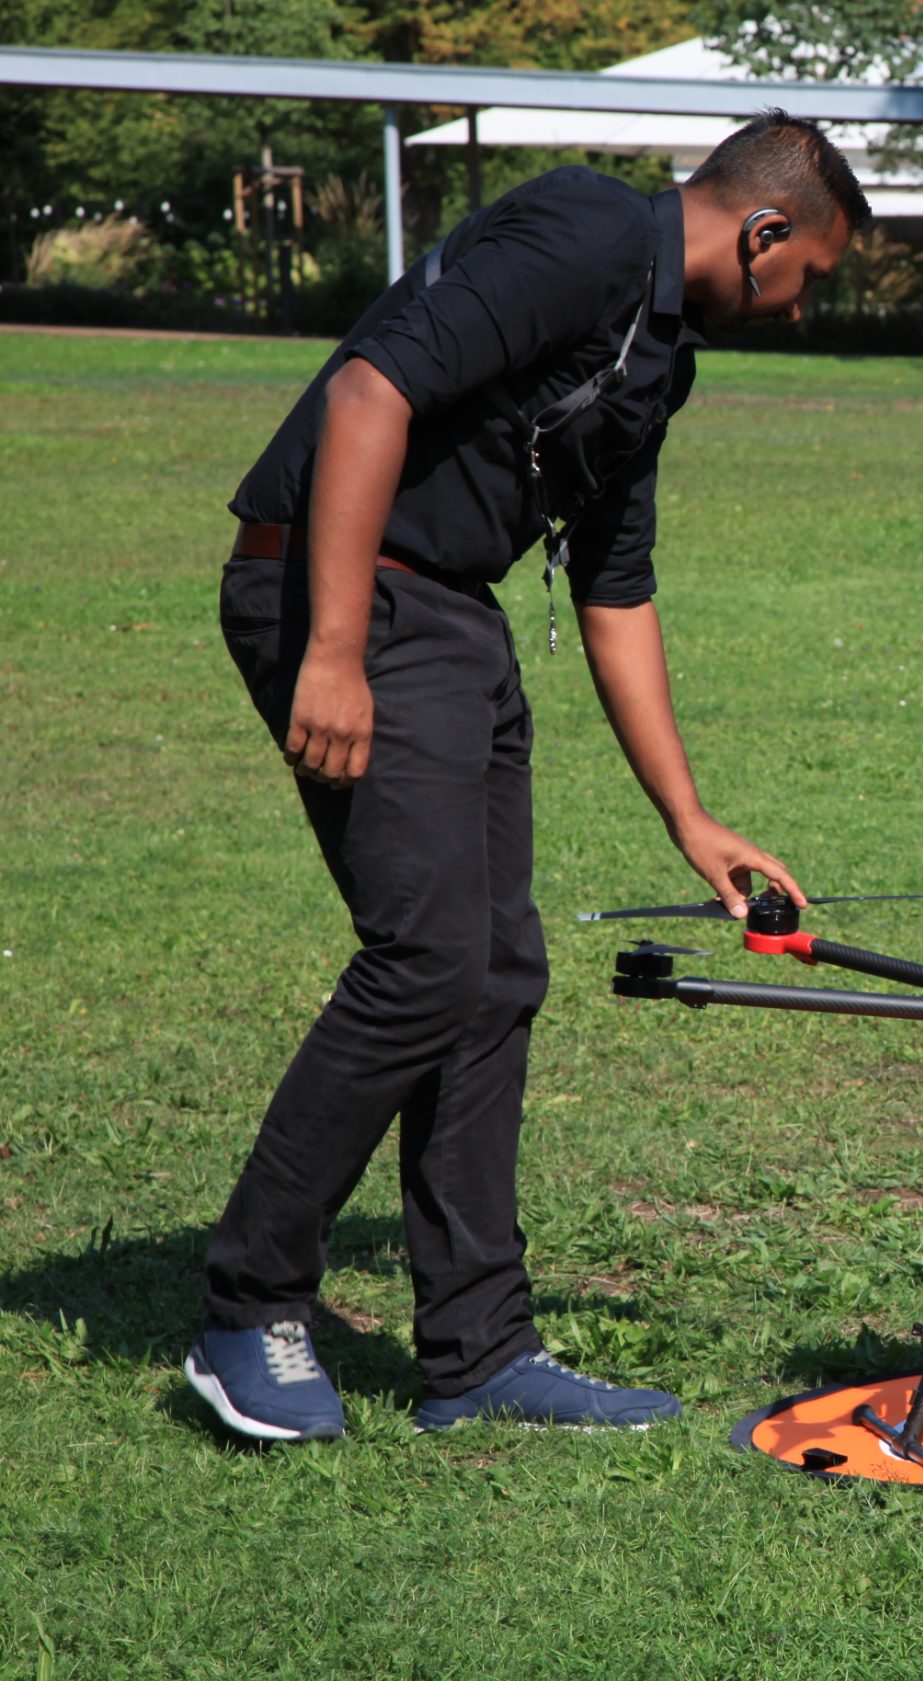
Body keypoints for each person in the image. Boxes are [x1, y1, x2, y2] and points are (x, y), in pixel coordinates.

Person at [191, 112, 866, 1444]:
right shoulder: (589, 232)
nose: (803, 309)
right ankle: (247, 1304)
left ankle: (478, 1350)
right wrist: (331, 648)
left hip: (449, 617)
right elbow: (370, 390)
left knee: (496, 970)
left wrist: (692, 818)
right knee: (428, 955)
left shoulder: (657, 353)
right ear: (766, 231)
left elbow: (616, 587)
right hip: (347, 593)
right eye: (813, 277)